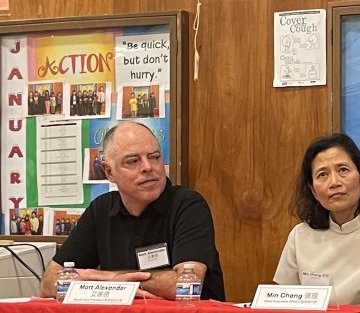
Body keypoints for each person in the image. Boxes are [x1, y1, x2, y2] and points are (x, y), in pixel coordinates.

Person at [39, 122, 225, 300]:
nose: (147, 167)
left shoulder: (188, 205)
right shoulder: (101, 209)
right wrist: (112, 280)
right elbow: (49, 283)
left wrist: (108, 278)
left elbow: (185, 285)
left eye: (154, 157)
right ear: (109, 172)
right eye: (133, 161)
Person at [273, 133, 360, 305]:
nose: (334, 182)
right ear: (313, 190)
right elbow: (282, 302)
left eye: (343, 170)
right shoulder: (299, 236)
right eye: (322, 174)